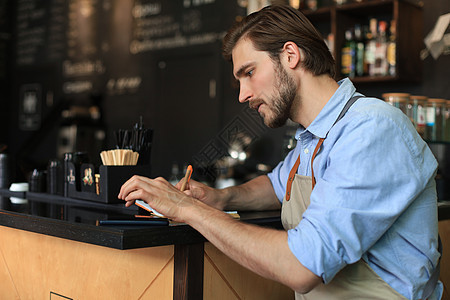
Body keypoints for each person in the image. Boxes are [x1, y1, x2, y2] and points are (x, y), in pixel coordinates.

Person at [118, 5, 442, 299]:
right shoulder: (312, 136)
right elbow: (278, 184)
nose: (243, 95)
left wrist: (187, 210)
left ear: (290, 55)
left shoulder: (371, 128)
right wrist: (221, 199)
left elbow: (302, 268)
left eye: (248, 73)